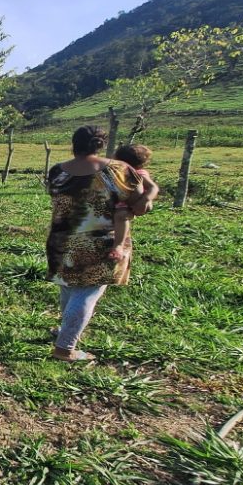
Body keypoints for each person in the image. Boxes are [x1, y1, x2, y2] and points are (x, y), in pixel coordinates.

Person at [45, 126, 147, 362]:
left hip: (61, 238)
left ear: (74, 143)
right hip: (100, 242)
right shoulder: (119, 170)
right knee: (87, 293)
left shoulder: (57, 171)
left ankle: (65, 333)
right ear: (101, 144)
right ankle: (65, 348)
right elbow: (139, 204)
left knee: (69, 288)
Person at [109, 144, 159, 261]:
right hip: (121, 202)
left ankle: (118, 245)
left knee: (121, 217)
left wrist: (145, 200)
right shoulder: (116, 172)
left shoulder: (139, 173)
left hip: (132, 204)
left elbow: (154, 188)